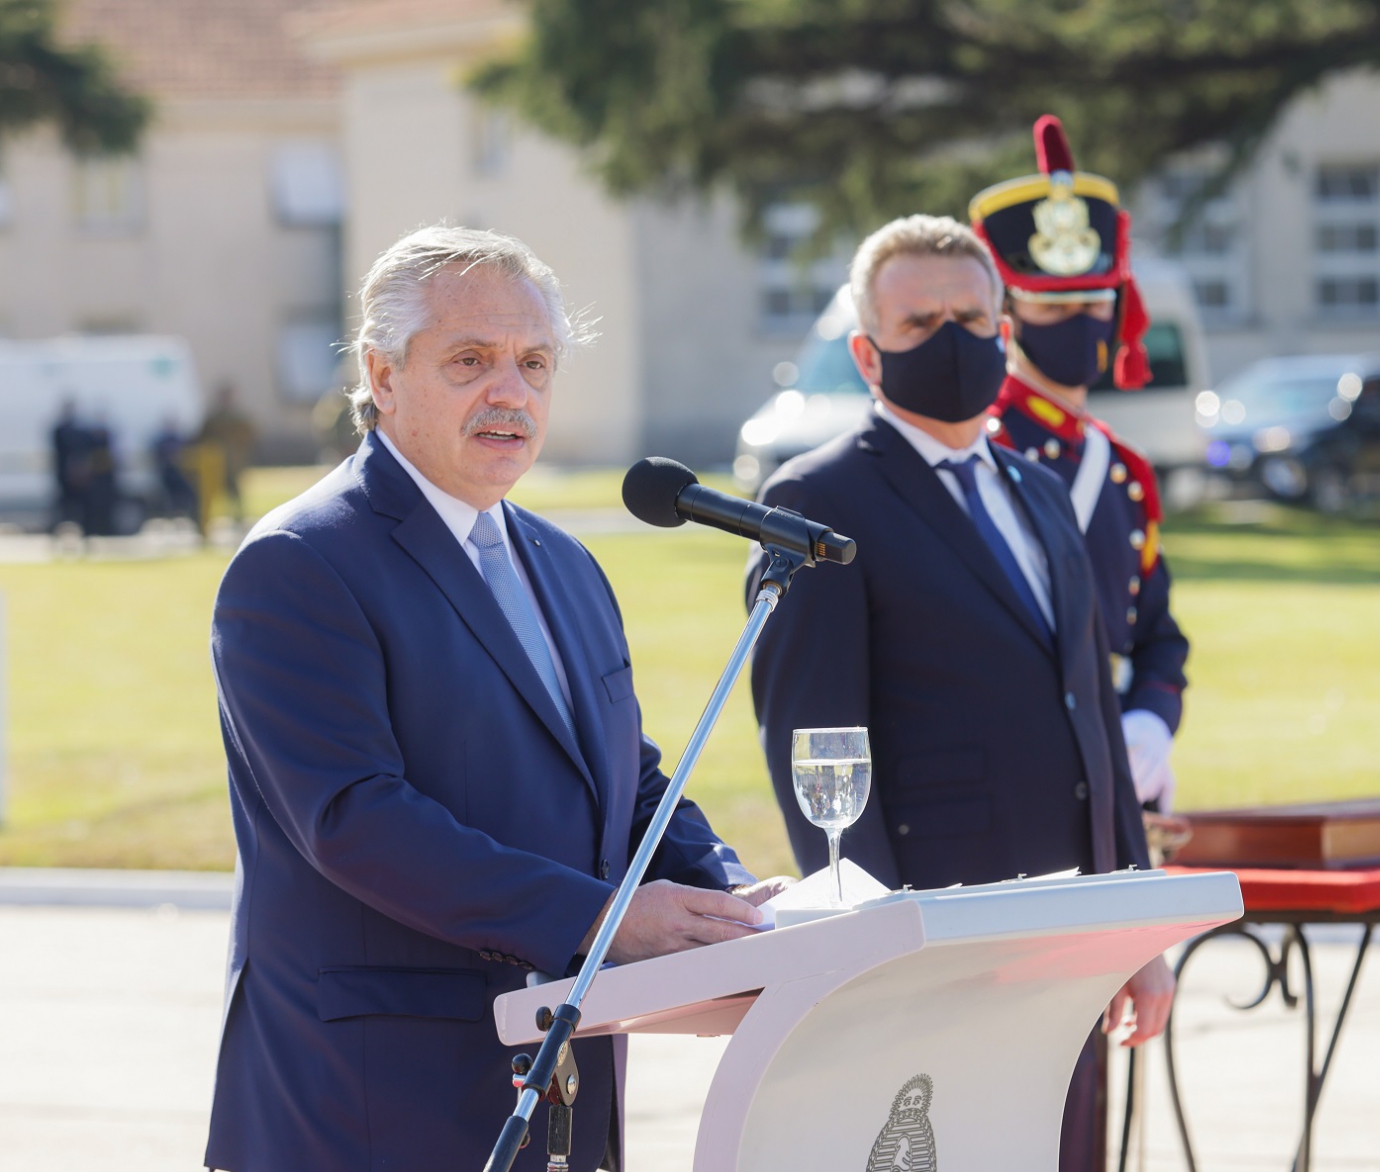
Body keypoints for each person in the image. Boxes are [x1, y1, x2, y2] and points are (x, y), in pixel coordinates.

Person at [205, 226, 782, 1172]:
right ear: (383, 376)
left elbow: (625, 779)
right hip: (372, 1107)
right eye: (470, 360)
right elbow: (354, 818)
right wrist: (603, 921)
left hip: (561, 1091)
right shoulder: (299, 564)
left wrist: (731, 900)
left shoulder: (566, 562)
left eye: (534, 363)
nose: (510, 391)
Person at [746, 214, 1173, 1172]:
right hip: (939, 942)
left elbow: (1093, 719)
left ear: (1003, 333)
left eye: (972, 319)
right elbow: (817, 744)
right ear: (867, 353)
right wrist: (877, 954)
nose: (951, 340)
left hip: (1073, 938)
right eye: (918, 323)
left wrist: (1138, 924)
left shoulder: (1038, 490)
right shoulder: (816, 503)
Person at [971, 115, 1190, 818]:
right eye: (1056, 305)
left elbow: (1156, 633)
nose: (1083, 321)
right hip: (1015, 771)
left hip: (1120, 764)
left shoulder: (1121, 467)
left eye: (1096, 302)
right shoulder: (979, 453)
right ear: (1007, 311)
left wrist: (1151, 719)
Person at [196, 380, 256, 521]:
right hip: (215, 461)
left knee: (234, 490)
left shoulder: (239, 418)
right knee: (210, 491)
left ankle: (238, 517)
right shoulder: (213, 418)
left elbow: (250, 436)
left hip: (234, 460)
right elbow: (202, 438)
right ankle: (207, 519)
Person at [50, 398, 88, 532]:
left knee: (77, 505)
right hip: (65, 476)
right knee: (65, 506)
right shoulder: (62, 430)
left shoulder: (71, 429)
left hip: (73, 476)